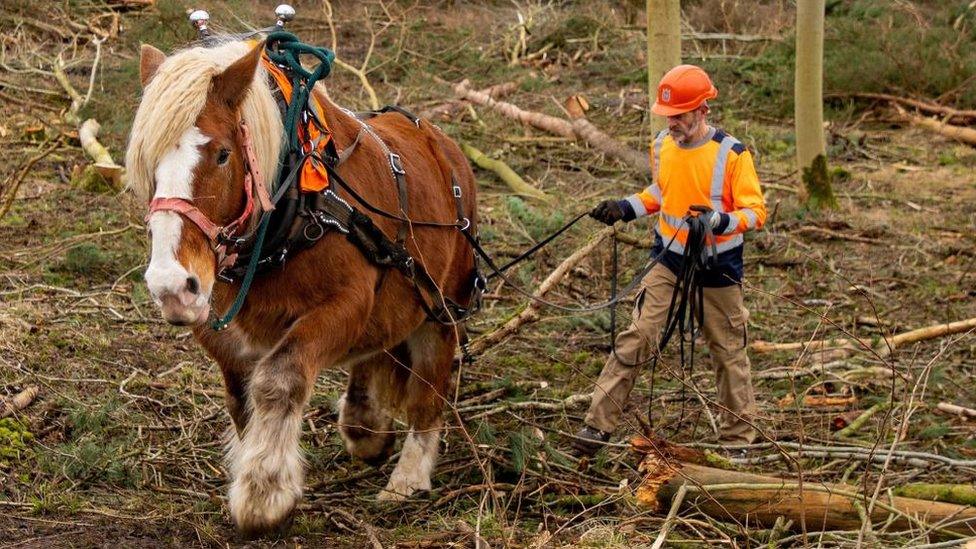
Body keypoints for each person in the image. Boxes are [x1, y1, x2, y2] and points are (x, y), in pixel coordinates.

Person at [573, 64, 766, 456]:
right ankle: (597, 427)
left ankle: (738, 443)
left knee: (728, 352)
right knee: (638, 337)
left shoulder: (732, 154)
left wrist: (719, 220)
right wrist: (625, 207)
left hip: (718, 269)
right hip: (668, 261)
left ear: (701, 110)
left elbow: (755, 212)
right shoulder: (662, 144)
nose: (672, 123)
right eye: (667, 116)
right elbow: (661, 192)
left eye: (678, 115)